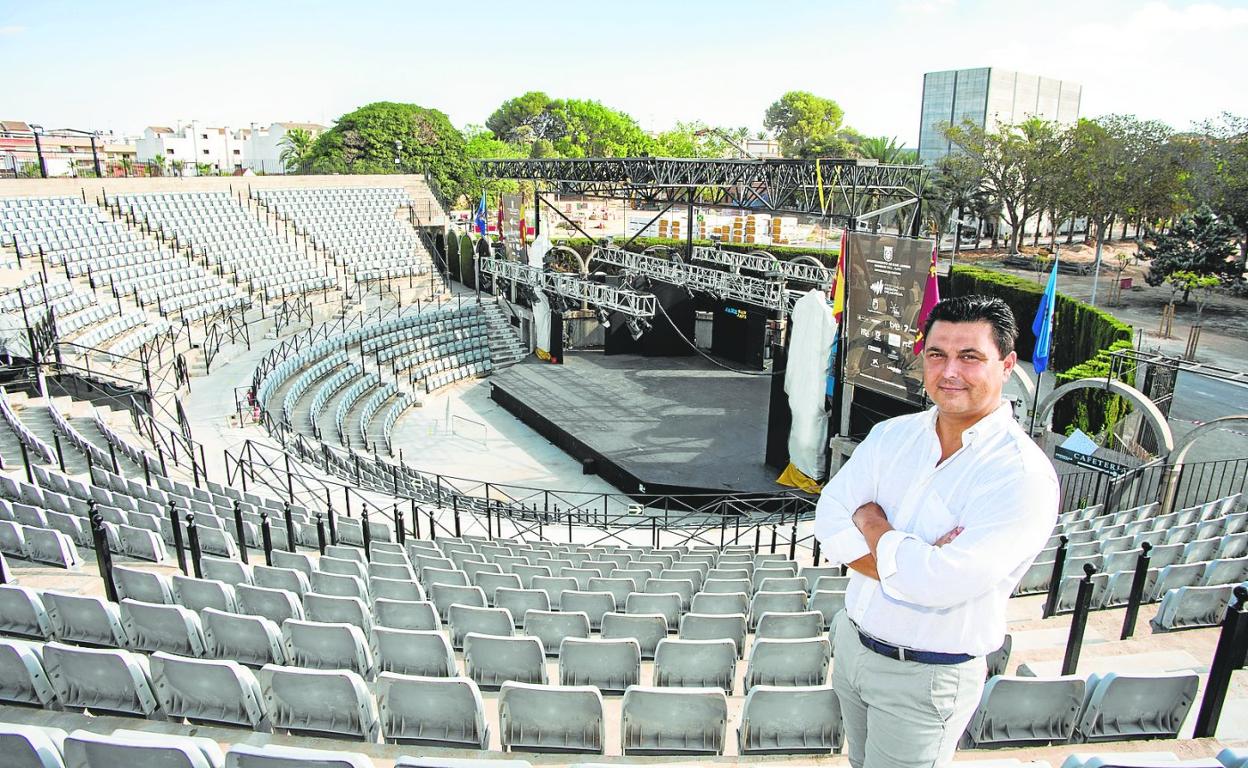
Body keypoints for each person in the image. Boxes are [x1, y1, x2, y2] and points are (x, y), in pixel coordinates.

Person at [815, 294, 1058, 768]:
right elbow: (828, 518)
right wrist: (916, 562)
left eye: (970, 357)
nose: (950, 371)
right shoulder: (893, 435)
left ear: (1007, 365)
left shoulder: (1020, 475)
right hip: (852, 647)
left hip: (927, 675)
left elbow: (940, 584)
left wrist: (870, 521)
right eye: (937, 354)